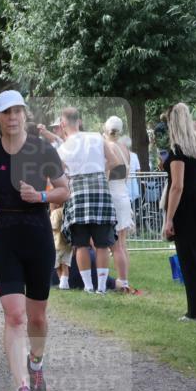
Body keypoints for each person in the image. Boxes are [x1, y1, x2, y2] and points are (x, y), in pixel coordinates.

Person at [0, 90, 70, 391]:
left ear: (24, 114)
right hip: (4, 237)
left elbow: (63, 191)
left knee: (37, 318)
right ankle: (21, 388)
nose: (13, 117)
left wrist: (41, 195)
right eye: (7, 112)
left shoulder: (43, 149)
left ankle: (36, 362)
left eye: (18, 111)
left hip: (37, 234)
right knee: (14, 316)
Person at [57, 106, 126, 294]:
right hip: (100, 190)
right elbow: (113, 162)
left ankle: (88, 286)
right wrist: (99, 172)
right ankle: (102, 287)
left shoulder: (62, 148)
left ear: (63, 124)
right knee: (103, 242)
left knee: (81, 243)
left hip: (77, 192)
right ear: (79, 121)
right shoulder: (96, 137)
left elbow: (60, 173)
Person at [162, 103, 196, 322]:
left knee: (188, 256)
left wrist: (169, 219)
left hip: (186, 204)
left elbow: (177, 186)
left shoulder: (177, 149)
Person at [103, 115, 137, 293]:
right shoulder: (124, 148)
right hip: (123, 194)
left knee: (114, 245)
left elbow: (106, 173)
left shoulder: (107, 146)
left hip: (112, 195)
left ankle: (120, 281)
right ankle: (123, 279)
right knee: (122, 244)